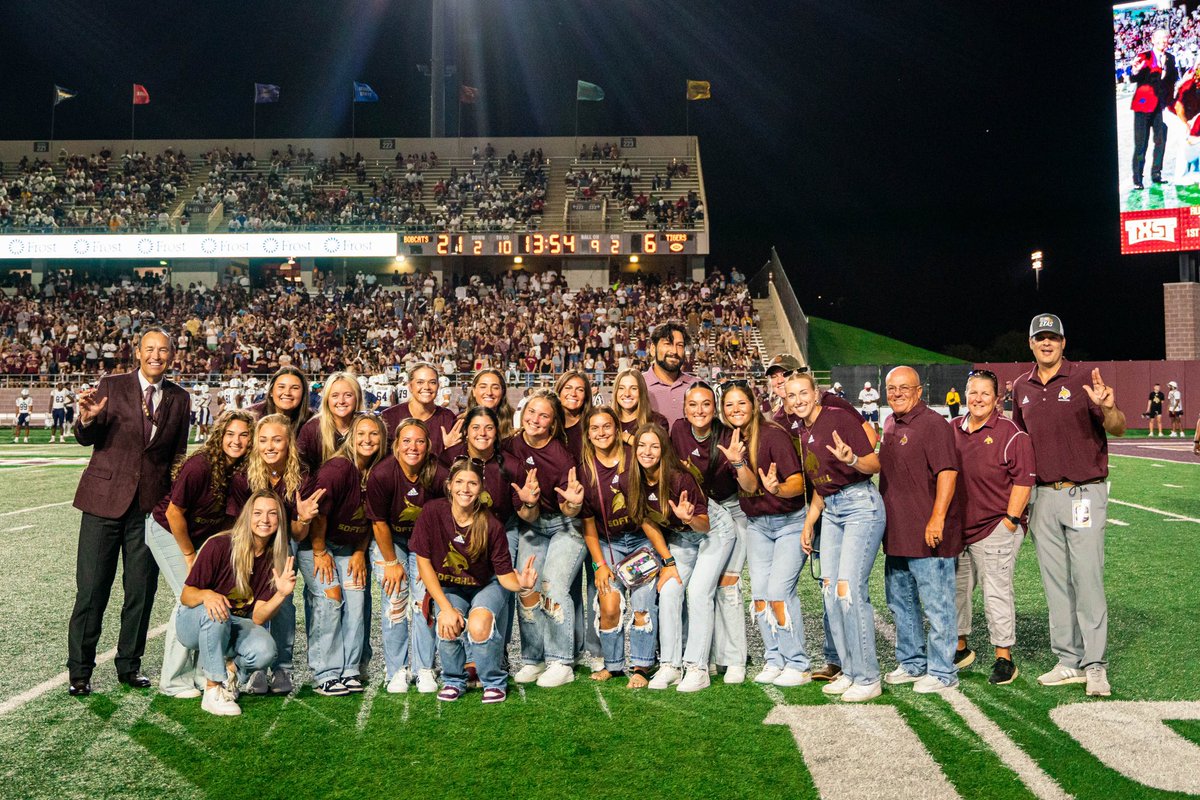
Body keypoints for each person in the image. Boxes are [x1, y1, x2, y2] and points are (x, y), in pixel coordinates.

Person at [68, 329, 190, 696]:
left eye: (163, 350)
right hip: (103, 502)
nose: (156, 355)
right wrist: (87, 420)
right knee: (92, 589)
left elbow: (177, 454)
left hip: (148, 509)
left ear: (172, 355)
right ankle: (80, 671)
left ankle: (129, 665)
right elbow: (86, 437)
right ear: (137, 352)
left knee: (141, 590)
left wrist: (173, 503)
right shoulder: (112, 384)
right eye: (149, 349)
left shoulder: (180, 397)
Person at [1013, 314, 1125, 698]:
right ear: (1031, 343)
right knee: (1055, 582)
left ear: (1063, 342)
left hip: (1084, 493)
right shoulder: (1021, 387)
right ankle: (1067, 660)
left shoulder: (1083, 379)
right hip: (1043, 496)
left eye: (1053, 338)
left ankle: (1095, 664)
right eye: (1040, 338)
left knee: (1087, 578)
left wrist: (1108, 407)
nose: (1046, 343)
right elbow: (1020, 445)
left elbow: (1118, 426)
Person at [788, 372, 886, 703]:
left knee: (848, 591)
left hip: (860, 505)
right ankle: (849, 670)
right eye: (792, 395)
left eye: (803, 393)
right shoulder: (802, 429)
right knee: (830, 592)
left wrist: (852, 459)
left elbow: (874, 463)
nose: (799, 400)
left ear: (816, 393)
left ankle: (868, 677)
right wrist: (809, 521)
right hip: (830, 510)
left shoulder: (838, 417)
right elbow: (822, 483)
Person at [412, 460, 539, 704]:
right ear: (449, 485)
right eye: (459, 482)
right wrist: (446, 609)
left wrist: (521, 584)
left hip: (487, 584)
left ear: (481, 488)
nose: (465, 488)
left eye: (472, 483)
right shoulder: (432, 512)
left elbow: (504, 576)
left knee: (479, 625)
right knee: (447, 623)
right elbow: (424, 563)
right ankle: (453, 680)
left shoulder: (491, 524)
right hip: (451, 585)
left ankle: (493, 681)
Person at [145, 410, 253, 697]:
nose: (236, 440)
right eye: (230, 434)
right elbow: (174, 513)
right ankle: (173, 680)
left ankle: (201, 674)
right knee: (188, 599)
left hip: (200, 537)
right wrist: (189, 554)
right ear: (219, 436)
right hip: (168, 531)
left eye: (244, 435)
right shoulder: (200, 465)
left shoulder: (239, 470)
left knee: (209, 600)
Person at [717, 380, 811, 687]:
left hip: (789, 522)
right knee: (759, 595)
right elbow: (748, 486)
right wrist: (738, 462)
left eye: (741, 403)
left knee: (779, 592)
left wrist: (777, 488)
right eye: (729, 404)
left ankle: (797, 663)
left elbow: (799, 483)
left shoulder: (772, 434)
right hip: (757, 524)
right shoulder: (732, 440)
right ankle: (774, 659)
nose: (735, 409)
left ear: (753, 404)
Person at [879, 365, 965, 694]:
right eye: (892, 388)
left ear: (919, 391)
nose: (897, 393)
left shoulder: (933, 424)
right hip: (898, 533)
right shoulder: (890, 423)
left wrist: (937, 518)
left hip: (929, 534)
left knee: (937, 605)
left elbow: (947, 472)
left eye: (905, 387)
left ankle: (943, 671)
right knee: (901, 603)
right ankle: (912, 662)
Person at [633, 423, 736, 693]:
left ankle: (697, 668)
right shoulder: (632, 479)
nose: (647, 451)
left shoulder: (679, 478)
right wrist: (668, 563)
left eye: (654, 446)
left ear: (663, 450)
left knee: (699, 592)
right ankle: (670, 665)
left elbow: (704, 524)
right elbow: (647, 522)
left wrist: (688, 518)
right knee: (669, 590)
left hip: (712, 530)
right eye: (642, 445)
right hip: (681, 538)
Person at [226, 413, 325, 696]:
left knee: (283, 602)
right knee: (249, 599)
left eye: (277, 440)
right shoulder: (244, 475)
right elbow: (238, 524)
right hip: (251, 542)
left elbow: (298, 534)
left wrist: (303, 518)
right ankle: (254, 666)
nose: (269, 446)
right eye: (263, 440)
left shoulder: (302, 474)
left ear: (289, 443)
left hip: (285, 542)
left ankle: (283, 667)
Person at [177, 491, 296, 716]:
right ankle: (212, 691)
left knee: (266, 651)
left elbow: (258, 617)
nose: (265, 519)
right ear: (247, 516)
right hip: (194, 623)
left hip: (233, 623)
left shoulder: (274, 557)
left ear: (279, 520)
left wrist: (280, 595)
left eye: (272, 513)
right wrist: (207, 595)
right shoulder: (219, 545)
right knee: (217, 611)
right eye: (258, 513)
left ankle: (230, 673)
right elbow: (186, 595)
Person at [951, 369, 1035, 686]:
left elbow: (1024, 481)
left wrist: (1010, 521)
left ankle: (1004, 658)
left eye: (985, 393)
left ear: (997, 398)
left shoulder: (1011, 433)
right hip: (961, 528)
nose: (978, 399)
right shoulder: (952, 429)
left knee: (995, 591)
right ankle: (960, 648)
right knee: (957, 589)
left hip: (995, 526)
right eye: (973, 392)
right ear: (965, 395)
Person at [299, 413, 388, 696]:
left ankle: (350, 669)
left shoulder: (378, 470)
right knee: (330, 598)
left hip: (350, 547)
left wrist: (360, 552)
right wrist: (319, 551)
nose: (367, 439)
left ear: (383, 439)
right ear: (350, 437)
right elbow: (318, 514)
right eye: (361, 433)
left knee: (357, 598)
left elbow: (373, 518)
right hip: (318, 544)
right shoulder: (338, 468)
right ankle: (325, 672)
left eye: (374, 434)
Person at [508, 391, 588, 688]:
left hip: (565, 525)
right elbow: (527, 514)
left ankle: (560, 660)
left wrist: (573, 505)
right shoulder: (510, 445)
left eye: (544, 415)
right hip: (532, 524)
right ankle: (534, 658)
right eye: (532, 412)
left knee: (552, 584)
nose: (535, 419)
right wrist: (528, 503)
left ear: (553, 424)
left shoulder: (561, 456)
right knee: (526, 585)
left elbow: (570, 507)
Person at [670, 381, 748, 684]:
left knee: (728, 584)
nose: (699, 410)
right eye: (693, 404)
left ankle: (735, 659)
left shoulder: (727, 435)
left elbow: (747, 485)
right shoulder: (678, 430)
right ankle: (712, 656)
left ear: (714, 408)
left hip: (730, 510)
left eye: (706, 404)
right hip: (698, 514)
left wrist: (738, 462)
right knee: (702, 587)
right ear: (684, 408)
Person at [575, 406, 658, 687]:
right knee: (609, 602)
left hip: (641, 542)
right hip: (608, 545)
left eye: (607, 426)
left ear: (617, 429)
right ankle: (613, 665)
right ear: (588, 434)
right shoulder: (585, 470)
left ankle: (642, 666)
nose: (601, 433)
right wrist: (599, 565)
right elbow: (588, 525)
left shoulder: (634, 457)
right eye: (595, 428)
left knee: (642, 604)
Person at [365, 418, 449, 694]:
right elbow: (379, 523)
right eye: (407, 441)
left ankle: (425, 667)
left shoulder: (438, 474)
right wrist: (391, 562)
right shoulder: (382, 474)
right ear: (397, 445)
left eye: (420, 441)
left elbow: (444, 519)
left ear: (428, 446)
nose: (413, 447)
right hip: (392, 540)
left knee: (424, 600)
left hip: (425, 543)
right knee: (395, 599)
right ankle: (396, 670)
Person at [1130, 28, 1178, 190]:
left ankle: (1156, 173)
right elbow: (1134, 77)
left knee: (1161, 140)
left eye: (1166, 38)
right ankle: (1137, 179)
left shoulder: (1170, 58)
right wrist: (1135, 70)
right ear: (1153, 40)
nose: (1163, 41)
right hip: (1143, 106)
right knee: (1141, 144)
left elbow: (1172, 80)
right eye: (1160, 38)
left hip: (1159, 107)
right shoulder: (1144, 56)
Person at [381, 363, 459, 457]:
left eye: (432, 382)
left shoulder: (447, 418)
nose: (426, 387)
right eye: (420, 382)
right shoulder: (389, 417)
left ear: (438, 386)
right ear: (410, 386)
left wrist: (450, 450)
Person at [297, 371, 362, 475]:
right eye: (335, 396)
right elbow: (300, 469)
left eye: (348, 395)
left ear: (358, 398)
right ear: (327, 399)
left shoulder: (368, 427)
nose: (341, 401)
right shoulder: (312, 429)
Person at [642, 321, 696, 429]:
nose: (674, 351)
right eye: (668, 344)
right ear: (653, 349)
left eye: (680, 345)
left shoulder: (698, 386)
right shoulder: (637, 385)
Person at [614, 368, 668, 445]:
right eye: (621, 388)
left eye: (633, 388)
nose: (627, 394)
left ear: (641, 392)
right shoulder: (608, 422)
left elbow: (659, 449)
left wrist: (626, 437)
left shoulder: (657, 422)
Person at [250, 367, 312, 431]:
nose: (287, 393)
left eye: (295, 388)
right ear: (271, 391)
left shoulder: (313, 421)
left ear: (303, 393)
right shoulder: (251, 416)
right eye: (281, 387)